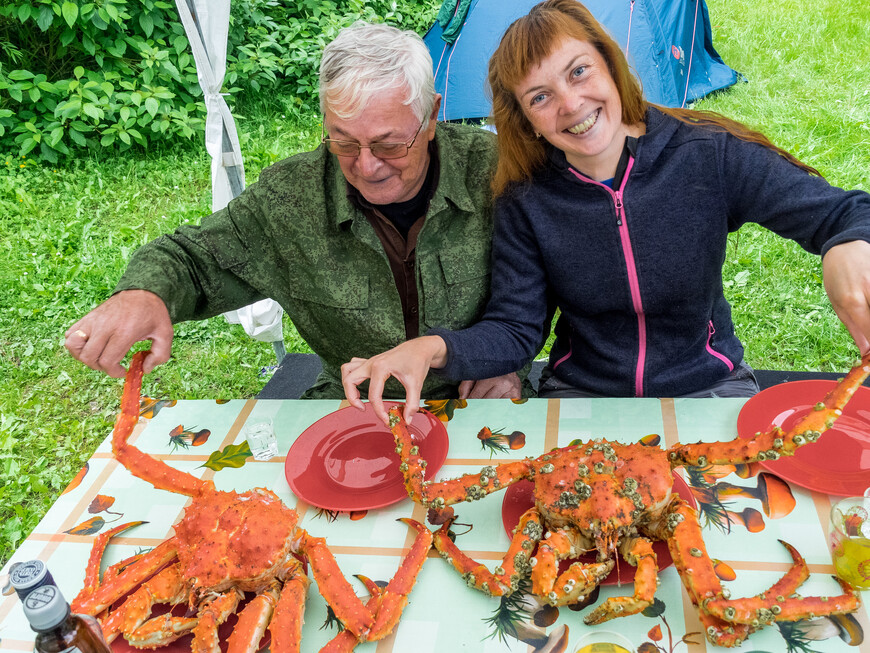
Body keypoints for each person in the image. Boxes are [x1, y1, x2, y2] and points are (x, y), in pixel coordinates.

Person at [342, 0, 870, 424]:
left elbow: (844, 212)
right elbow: (515, 329)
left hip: (710, 387)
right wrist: (430, 349)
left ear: (610, 64)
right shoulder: (527, 198)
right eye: (541, 97)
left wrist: (848, 240)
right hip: (581, 395)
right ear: (525, 120)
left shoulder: (707, 153)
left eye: (579, 72)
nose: (570, 104)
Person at [64, 21, 527, 401]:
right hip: (354, 404)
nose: (366, 166)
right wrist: (144, 293)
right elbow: (193, 257)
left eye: (389, 143)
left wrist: (507, 366)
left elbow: (534, 295)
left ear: (431, 119)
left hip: (479, 395)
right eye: (343, 141)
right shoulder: (291, 198)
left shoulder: (494, 171)